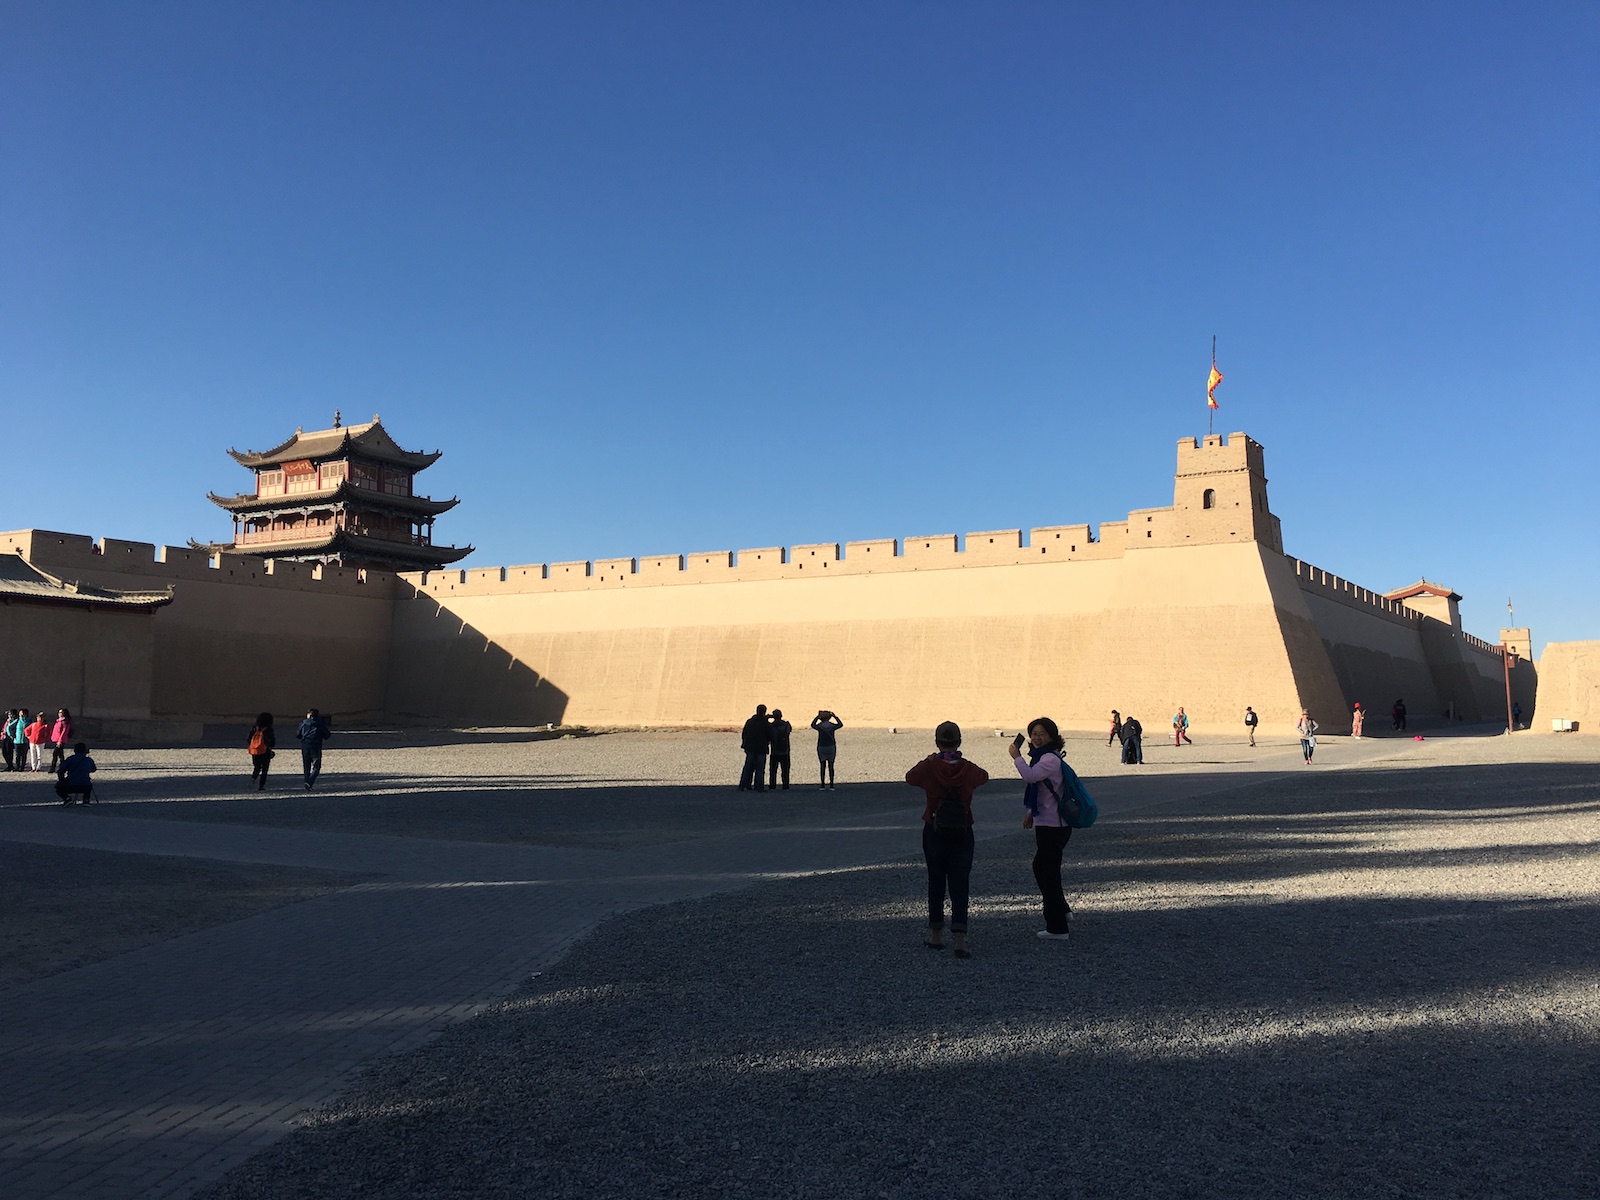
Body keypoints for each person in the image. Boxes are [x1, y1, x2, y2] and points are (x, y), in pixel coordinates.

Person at [906, 721, 989, 958]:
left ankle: (935, 934)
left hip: (934, 829)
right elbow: (983, 777)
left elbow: (910, 777)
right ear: (959, 742)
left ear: (937, 742)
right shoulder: (967, 768)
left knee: (936, 880)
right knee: (960, 882)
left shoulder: (930, 767)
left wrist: (931, 759)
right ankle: (960, 939)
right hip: (963, 830)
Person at [1010, 717, 1073, 941]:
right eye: (1033, 733)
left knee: (1047, 872)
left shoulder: (1048, 759)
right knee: (1045, 869)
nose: (1037, 738)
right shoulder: (1044, 757)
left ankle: (1057, 927)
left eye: (1042, 734)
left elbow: (1030, 776)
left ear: (1052, 737)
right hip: (1048, 821)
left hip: (1054, 825)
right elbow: (1045, 790)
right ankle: (1063, 911)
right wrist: (1031, 813)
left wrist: (1016, 757)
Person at [296, 708, 332, 789]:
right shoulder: (320, 723)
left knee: (306, 765)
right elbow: (327, 735)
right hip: (316, 745)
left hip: (305, 745)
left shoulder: (303, 723)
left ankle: (307, 782)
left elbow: (298, 735)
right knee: (316, 767)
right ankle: (309, 782)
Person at [737, 704, 770, 792]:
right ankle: (759, 787)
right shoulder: (765, 723)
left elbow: (744, 733)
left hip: (750, 748)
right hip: (761, 748)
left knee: (748, 767)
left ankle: (743, 786)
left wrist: (745, 745)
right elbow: (770, 734)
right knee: (760, 769)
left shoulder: (750, 721)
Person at [811, 709, 843, 790]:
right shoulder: (831, 726)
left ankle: (822, 784)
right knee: (831, 765)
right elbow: (840, 724)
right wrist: (835, 716)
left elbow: (812, 725)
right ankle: (831, 784)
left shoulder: (820, 726)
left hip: (822, 746)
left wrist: (817, 717)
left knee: (822, 766)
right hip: (831, 746)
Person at [248, 712, 276, 791]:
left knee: (256, 767)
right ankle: (261, 786)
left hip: (255, 751)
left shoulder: (254, 728)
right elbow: (272, 741)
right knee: (264, 769)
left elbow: (248, 738)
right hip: (265, 751)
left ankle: (253, 778)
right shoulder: (268, 729)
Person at [766, 708, 792, 791]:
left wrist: (767, 718)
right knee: (785, 769)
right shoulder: (786, 725)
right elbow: (789, 731)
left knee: (773, 770)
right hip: (785, 750)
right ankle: (786, 785)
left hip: (775, 751)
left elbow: (769, 735)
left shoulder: (771, 726)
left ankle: (772, 785)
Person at [49, 708, 74, 774]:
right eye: (59, 712)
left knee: (55, 753)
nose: (59, 714)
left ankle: (53, 767)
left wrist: (60, 740)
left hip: (61, 740)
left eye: (61, 712)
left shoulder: (65, 722)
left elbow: (64, 732)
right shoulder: (58, 721)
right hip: (56, 739)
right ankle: (62, 767)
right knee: (60, 754)